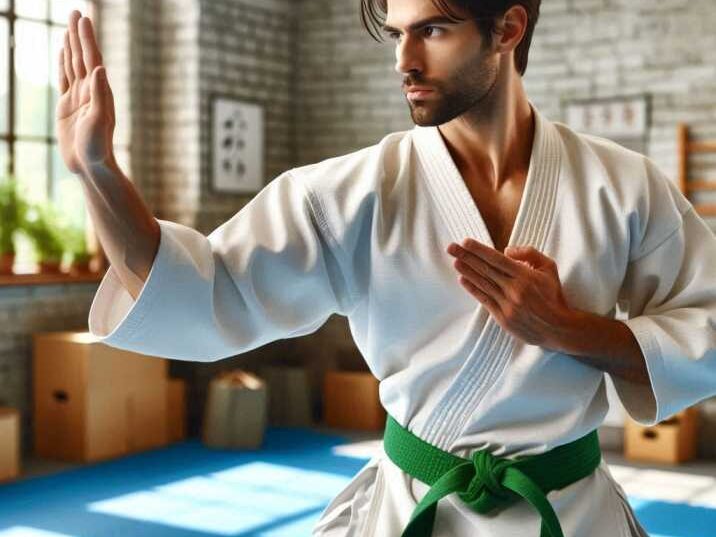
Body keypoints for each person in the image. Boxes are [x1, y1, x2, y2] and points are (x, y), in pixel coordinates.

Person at [56, 0, 716, 535]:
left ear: (507, 29)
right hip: (412, 511)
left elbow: (708, 332)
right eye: (397, 33)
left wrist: (567, 328)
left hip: (570, 513)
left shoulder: (622, 185)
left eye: (431, 30)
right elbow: (202, 291)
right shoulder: (354, 189)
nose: (404, 59)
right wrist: (98, 171)